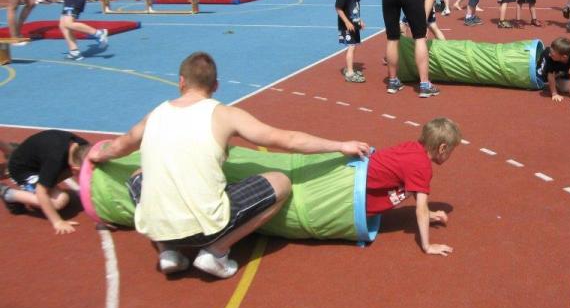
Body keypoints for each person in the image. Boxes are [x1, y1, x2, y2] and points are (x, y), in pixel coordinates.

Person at [88, 52, 371, 278]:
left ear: (181, 82)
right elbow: (286, 139)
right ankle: (216, 252)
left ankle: (168, 252)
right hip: (206, 227)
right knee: (281, 182)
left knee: (138, 174)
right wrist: (340, 145)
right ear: (215, 86)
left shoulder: (154, 115)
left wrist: (98, 155)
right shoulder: (224, 115)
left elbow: (120, 146)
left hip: (155, 226)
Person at [365, 117, 460, 256]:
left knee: (407, 188)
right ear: (442, 148)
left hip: (357, 175)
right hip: (356, 198)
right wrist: (427, 246)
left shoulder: (411, 147)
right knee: (406, 190)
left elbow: (414, 184)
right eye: (451, 150)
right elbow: (421, 209)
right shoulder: (422, 166)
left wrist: (430, 214)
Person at [381, 0, 440, 98]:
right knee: (420, 37)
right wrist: (423, 19)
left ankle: (393, 81)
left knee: (392, 37)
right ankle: (424, 85)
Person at [0, 130, 89, 233]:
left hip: (36, 158)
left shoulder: (84, 147)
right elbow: (41, 192)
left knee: (60, 172)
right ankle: (7, 193)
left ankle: (15, 155)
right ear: (75, 168)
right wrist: (57, 222)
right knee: (58, 201)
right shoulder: (56, 159)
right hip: (22, 170)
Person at [336, 0, 365, 83]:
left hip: (354, 24)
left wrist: (359, 20)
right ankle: (349, 73)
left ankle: (349, 68)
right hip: (347, 26)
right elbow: (338, 8)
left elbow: (355, 9)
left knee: (353, 46)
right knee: (351, 47)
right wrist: (347, 22)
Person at [536, 37, 570, 107]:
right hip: (546, 69)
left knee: (565, 89)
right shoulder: (549, 56)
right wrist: (554, 94)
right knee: (541, 79)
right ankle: (553, 77)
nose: (550, 54)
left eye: (552, 54)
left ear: (564, 57)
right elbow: (550, 75)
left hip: (560, 71)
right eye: (550, 52)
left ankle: (558, 75)